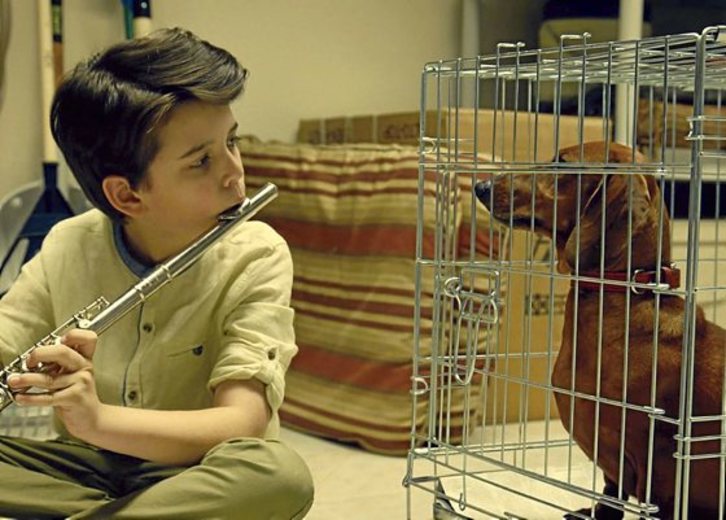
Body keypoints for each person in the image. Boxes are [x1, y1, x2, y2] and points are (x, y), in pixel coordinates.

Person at [0, 27, 314, 519]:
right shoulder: (68, 244)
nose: (234, 173)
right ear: (127, 195)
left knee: (279, 476)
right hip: (86, 468)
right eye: (202, 161)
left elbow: (243, 421)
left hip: (195, 472)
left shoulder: (256, 253)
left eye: (231, 142)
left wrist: (98, 419)